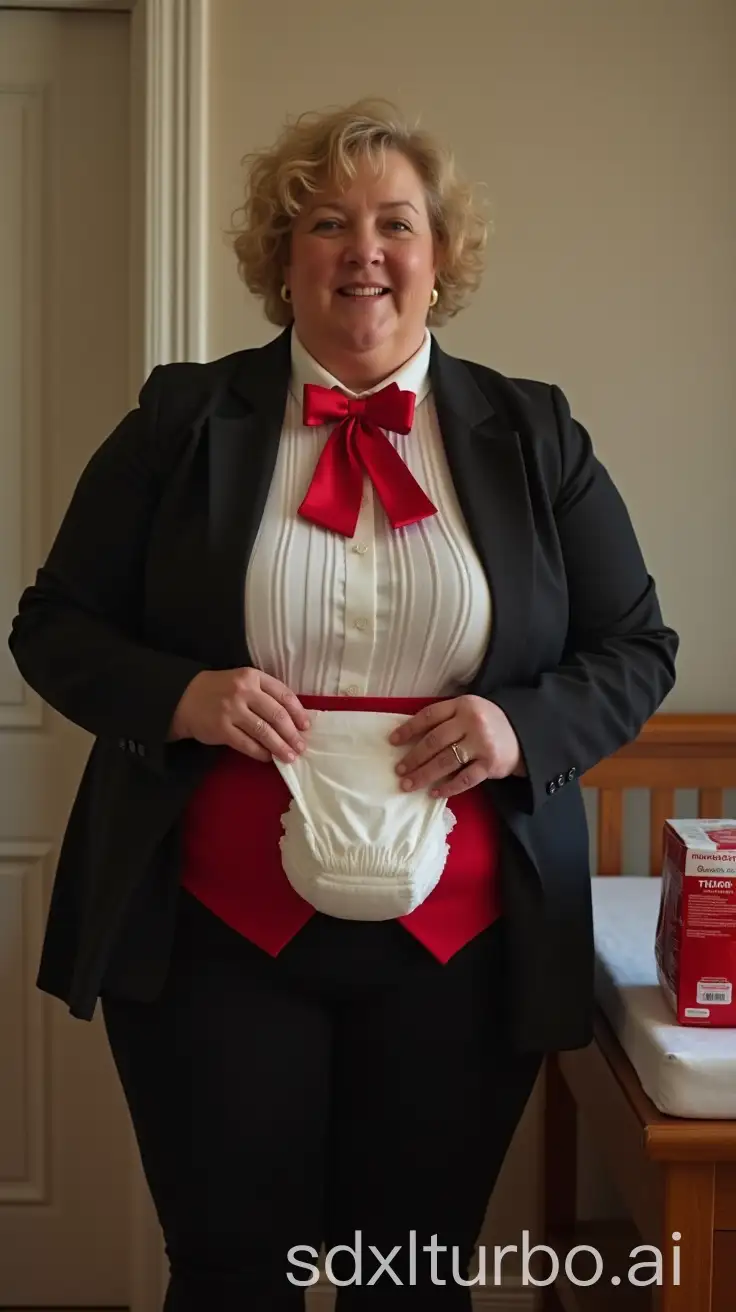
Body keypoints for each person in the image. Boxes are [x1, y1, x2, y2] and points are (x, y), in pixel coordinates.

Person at [8, 98, 678, 1310]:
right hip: (212, 936)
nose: (362, 249)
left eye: (394, 222)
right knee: (228, 1272)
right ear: (282, 259)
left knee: (408, 1279)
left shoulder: (534, 431)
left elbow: (635, 646)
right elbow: (51, 625)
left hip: (463, 948)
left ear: (439, 259)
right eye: (326, 221)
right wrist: (184, 695)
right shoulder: (179, 420)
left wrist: (517, 723)